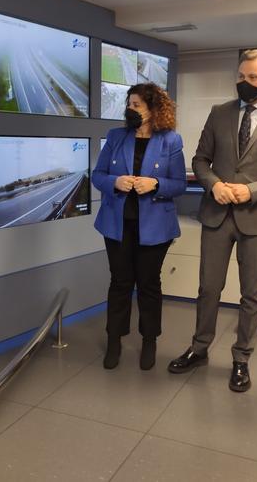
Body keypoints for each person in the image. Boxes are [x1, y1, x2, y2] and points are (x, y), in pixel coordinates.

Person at [168, 49, 257, 392]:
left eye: (252, 78)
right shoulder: (219, 112)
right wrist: (213, 185)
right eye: (240, 77)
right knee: (208, 288)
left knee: (251, 295)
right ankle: (199, 349)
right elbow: (200, 160)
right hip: (216, 215)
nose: (244, 83)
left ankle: (242, 358)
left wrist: (249, 191)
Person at [92, 83, 186, 370]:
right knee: (120, 283)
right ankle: (114, 342)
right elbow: (98, 175)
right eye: (129, 104)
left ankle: (149, 341)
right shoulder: (116, 136)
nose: (130, 110)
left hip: (155, 227)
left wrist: (156, 184)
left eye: (136, 105)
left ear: (153, 109)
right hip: (117, 225)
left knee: (148, 284)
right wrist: (114, 182)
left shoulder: (171, 140)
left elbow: (179, 184)